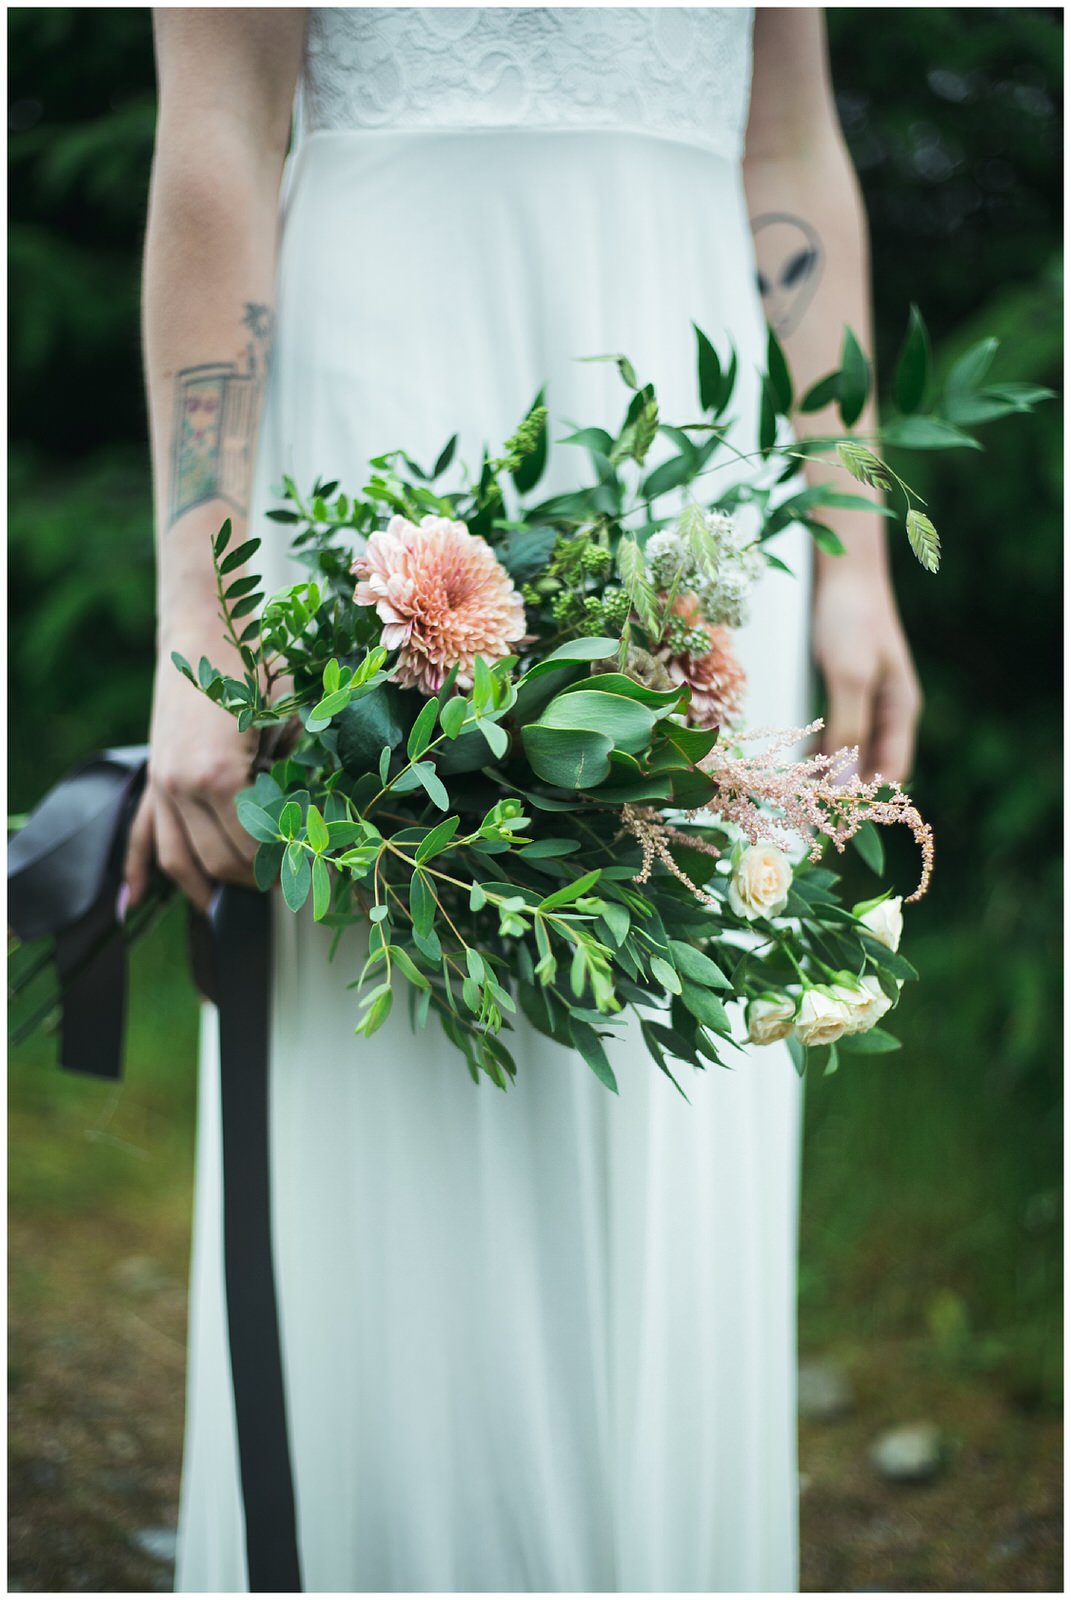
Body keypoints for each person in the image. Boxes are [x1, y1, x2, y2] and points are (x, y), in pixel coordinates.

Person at [125, 8, 921, 1592]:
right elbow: (218, 124)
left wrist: (852, 548)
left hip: (693, 487)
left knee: (666, 1056)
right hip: (389, 431)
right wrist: (200, 614)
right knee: (402, 1044)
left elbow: (789, 141)